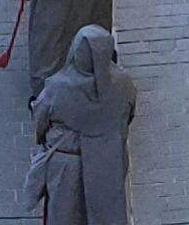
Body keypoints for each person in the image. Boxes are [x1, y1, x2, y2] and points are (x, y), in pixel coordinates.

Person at [28, 24, 137, 225]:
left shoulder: (56, 87)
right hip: (108, 161)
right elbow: (128, 116)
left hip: (66, 166)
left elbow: (40, 121)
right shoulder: (123, 84)